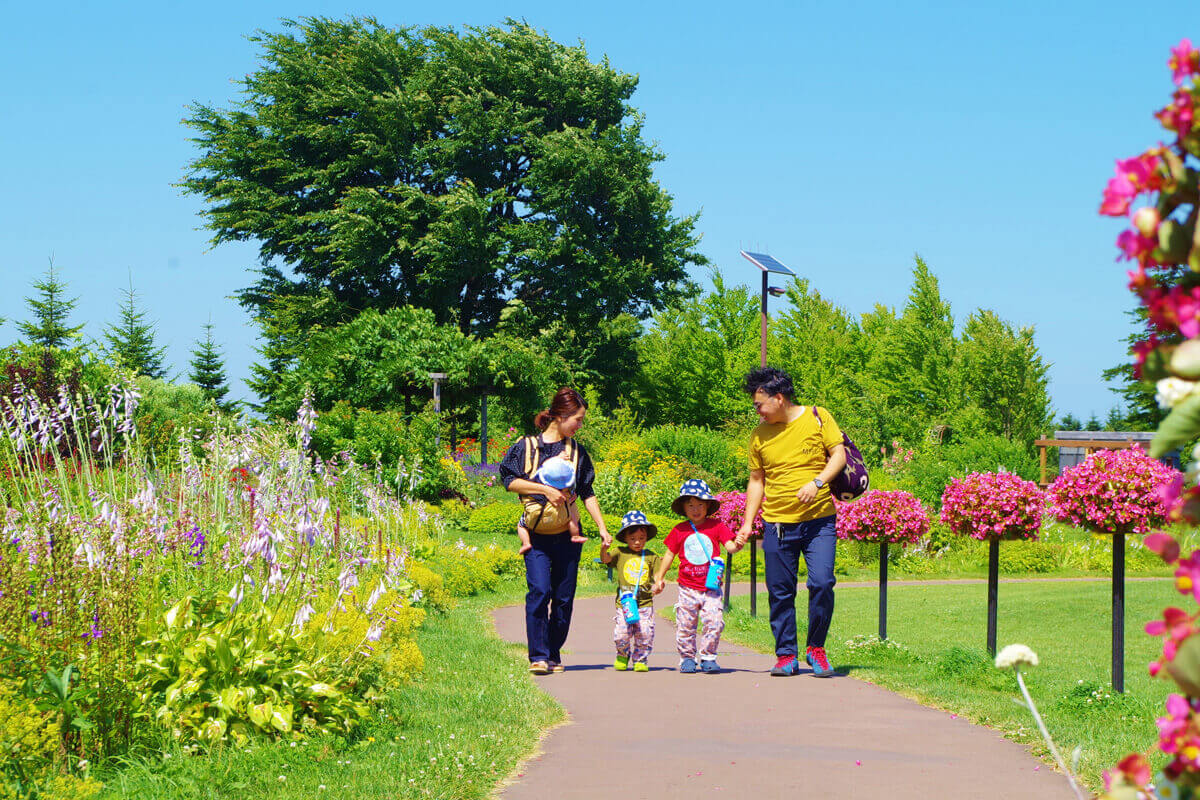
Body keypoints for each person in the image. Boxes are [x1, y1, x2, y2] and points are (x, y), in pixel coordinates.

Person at [735, 367, 847, 678]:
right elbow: (756, 481)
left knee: (822, 583)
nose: (757, 411)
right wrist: (748, 524)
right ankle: (786, 654)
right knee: (780, 591)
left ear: (779, 398)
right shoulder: (759, 435)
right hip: (777, 525)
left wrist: (818, 483)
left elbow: (839, 455)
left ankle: (816, 648)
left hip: (819, 521)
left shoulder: (817, 416)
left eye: (759, 404)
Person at [499, 387, 612, 675]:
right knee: (539, 591)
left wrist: (602, 528)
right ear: (560, 416)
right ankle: (538, 655)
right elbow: (510, 480)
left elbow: (587, 491)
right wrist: (545, 490)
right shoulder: (525, 447)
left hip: (567, 538)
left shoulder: (577, 452)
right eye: (578, 419)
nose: (580, 425)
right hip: (536, 536)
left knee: (563, 599)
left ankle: (552, 652)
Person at [653, 479, 742, 674]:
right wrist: (659, 577)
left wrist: (738, 544)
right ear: (683, 507)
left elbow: (730, 547)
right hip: (687, 587)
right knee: (686, 624)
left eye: (700, 504)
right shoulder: (679, 530)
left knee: (714, 621)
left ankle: (709, 657)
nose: (696, 509)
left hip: (711, 587)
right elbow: (669, 554)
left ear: (708, 506)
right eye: (691, 505)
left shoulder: (716, 526)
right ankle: (687, 657)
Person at [599, 510, 661, 672]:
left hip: (645, 604)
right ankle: (622, 655)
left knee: (645, 634)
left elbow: (658, 576)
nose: (637, 542)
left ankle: (640, 659)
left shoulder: (651, 556)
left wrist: (659, 584)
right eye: (633, 539)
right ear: (625, 538)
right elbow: (606, 560)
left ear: (646, 537)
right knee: (622, 633)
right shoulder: (620, 552)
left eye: (641, 538)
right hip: (625, 603)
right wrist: (603, 548)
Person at [515, 455, 586, 555]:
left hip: (536, 518)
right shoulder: (565, 485)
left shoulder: (535, 483)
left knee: (521, 525)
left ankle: (526, 543)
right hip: (560, 512)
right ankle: (575, 535)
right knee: (572, 517)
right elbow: (574, 489)